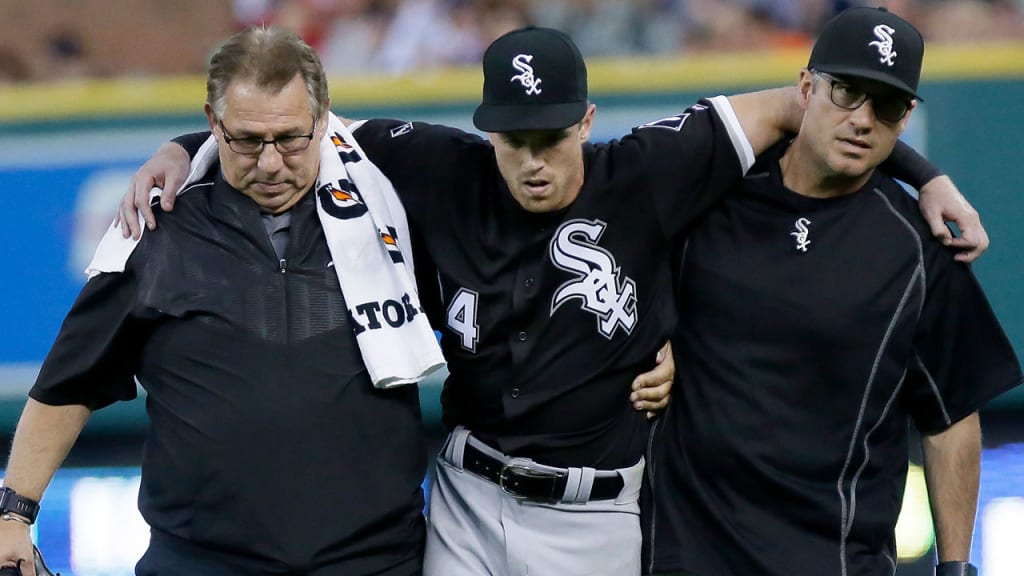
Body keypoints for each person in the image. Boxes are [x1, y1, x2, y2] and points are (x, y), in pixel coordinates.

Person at [118, 26, 986, 576]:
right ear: (486, 128)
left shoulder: (650, 169)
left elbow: (814, 105)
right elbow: (286, 130)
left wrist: (926, 173)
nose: (535, 160)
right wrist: (184, 146)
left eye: (554, 135)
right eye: (515, 139)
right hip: (464, 497)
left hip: (600, 515)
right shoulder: (427, 163)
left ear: (586, 120)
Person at [0, 27, 446, 576]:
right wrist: (13, 517)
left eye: (289, 139)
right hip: (202, 563)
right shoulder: (155, 228)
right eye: (248, 141)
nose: (270, 163)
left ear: (324, 118)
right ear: (213, 123)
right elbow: (67, 383)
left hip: (375, 562)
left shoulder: (393, 202)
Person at [645, 7, 1024, 576]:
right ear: (804, 87)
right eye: (846, 92)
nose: (864, 119)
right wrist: (653, 332)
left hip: (834, 561)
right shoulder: (709, 191)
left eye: (887, 105)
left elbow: (951, 418)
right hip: (685, 555)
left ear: (906, 117)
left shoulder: (917, 248)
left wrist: (954, 569)